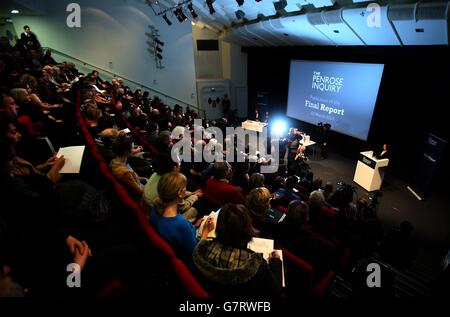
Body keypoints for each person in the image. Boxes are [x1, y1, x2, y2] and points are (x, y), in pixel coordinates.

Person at [192, 203, 282, 296]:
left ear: (218, 227)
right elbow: (275, 290)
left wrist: (205, 232)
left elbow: (201, 245)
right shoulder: (254, 264)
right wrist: (275, 261)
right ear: (247, 230)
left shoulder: (200, 251)